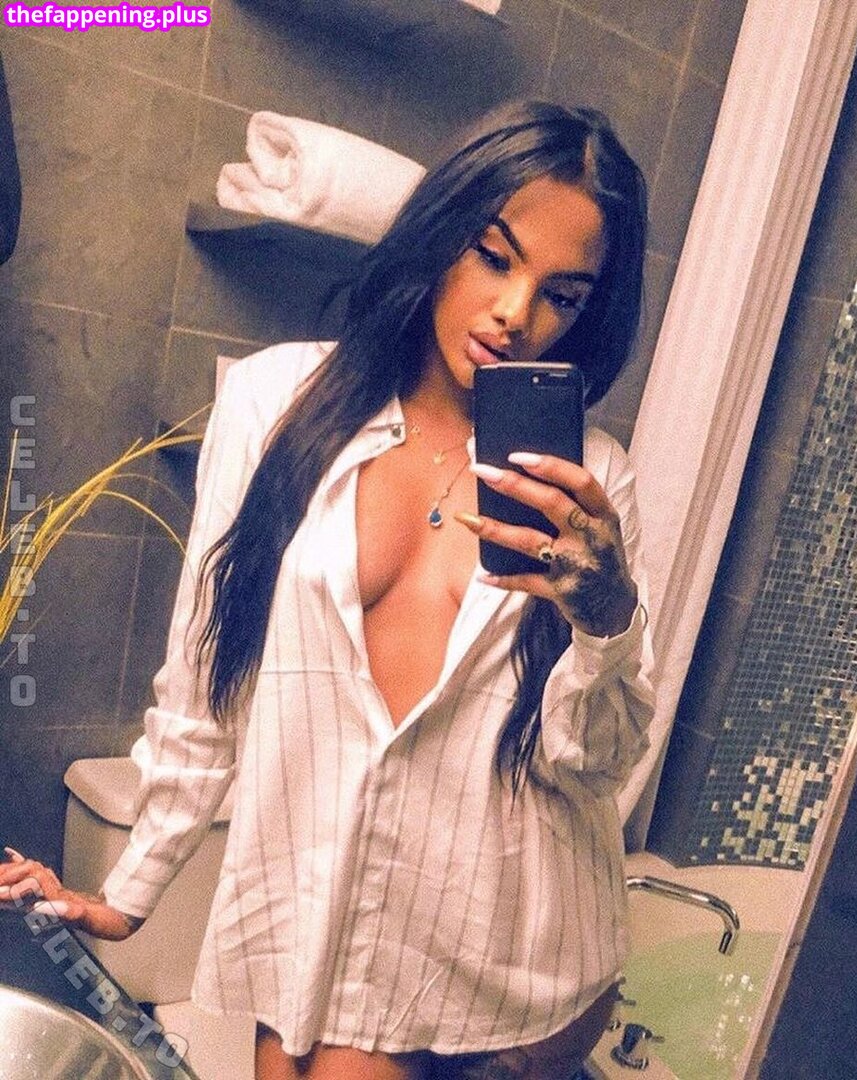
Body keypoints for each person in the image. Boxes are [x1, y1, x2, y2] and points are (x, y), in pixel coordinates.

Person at [0, 100, 655, 1079]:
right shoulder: (273, 404)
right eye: (493, 255)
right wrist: (128, 894)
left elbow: (593, 767)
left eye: (560, 294)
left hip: (514, 951)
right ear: (440, 234)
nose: (515, 313)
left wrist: (606, 620)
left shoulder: (591, 479)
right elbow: (207, 683)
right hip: (323, 925)